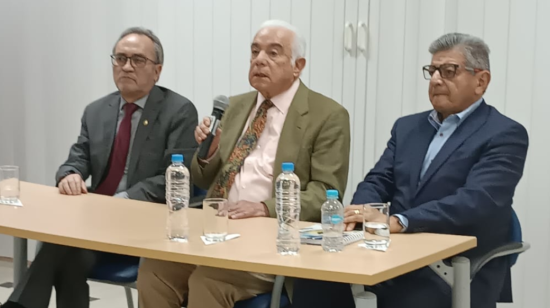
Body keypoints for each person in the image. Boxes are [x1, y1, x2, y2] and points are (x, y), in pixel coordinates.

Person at [291, 33, 529, 308]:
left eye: (449, 71)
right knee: (314, 278)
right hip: (391, 253)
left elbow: (476, 201)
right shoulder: (407, 127)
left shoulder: (504, 134)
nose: (437, 79)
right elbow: (379, 179)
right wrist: (359, 212)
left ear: (481, 81)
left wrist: (401, 220)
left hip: (456, 267)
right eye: (433, 71)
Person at [136, 19, 351, 308]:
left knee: (207, 282)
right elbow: (201, 179)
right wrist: (207, 153)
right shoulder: (235, 106)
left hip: (272, 240)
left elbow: (325, 191)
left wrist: (264, 208)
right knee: (154, 271)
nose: (260, 60)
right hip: (217, 228)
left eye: (273, 53)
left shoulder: (327, 115)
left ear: (298, 65)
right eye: (254, 52)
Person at [2, 27, 198, 308]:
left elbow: (176, 179)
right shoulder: (96, 111)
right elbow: (77, 158)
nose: (127, 66)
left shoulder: (178, 111)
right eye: (120, 59)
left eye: (138, 60)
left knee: (58, 245)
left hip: (143, 223)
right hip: (94, 223)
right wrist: (70, 174)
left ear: (157, 70)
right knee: (62, 248)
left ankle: (20, 304)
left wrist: (123, 201)